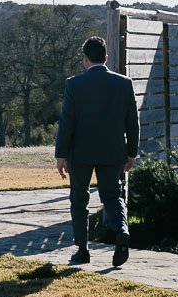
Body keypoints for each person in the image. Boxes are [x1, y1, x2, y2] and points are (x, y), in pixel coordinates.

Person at [55, 36, 139, 267]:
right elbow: (132, 122)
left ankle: (83, 250)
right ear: (106, 58)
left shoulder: (74, 84)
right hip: (113, 151)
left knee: (79, 199)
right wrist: (131, 152)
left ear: (85, 59)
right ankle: (122, 230)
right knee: (112, 196)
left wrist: (61, 154)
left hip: (80, 152)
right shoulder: (124, 83)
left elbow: (67, 122)